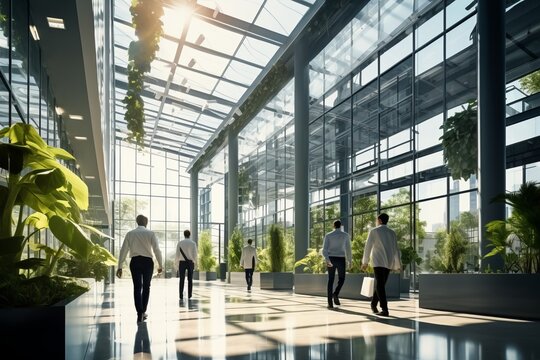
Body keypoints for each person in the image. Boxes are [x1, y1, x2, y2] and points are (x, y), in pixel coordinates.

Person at [116, 214, 163, 323]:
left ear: (137, 222)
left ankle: (139, 313)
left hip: (135, 262)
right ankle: (143, 311)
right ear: (146, 222)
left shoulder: (130, 234)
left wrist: (119, 266)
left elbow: (123, 251)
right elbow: (157, 250)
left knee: (137, 287)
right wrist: (160, 265)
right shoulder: (151, 233)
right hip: (147, 262)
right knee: (146, 287)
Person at [361, 213, 401, 317]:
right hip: (388, 262)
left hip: (378, 261)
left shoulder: (374, 231)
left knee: (380, 285)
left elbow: (368, 247)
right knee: (381, 285)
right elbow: (396, 249)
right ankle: (378, 306)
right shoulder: (392, 233)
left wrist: (365, 262)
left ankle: (381, 307)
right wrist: (398, 264)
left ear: (379, 220)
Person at [322, 220, 352, 309]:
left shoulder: (328, 235)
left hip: (331, 258)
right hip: (341, 259)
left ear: (333, 226)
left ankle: (330, 303)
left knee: (330, 280)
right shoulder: (346, 235)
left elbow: (324, 250)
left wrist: (327, 260)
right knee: (342, 279)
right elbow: (348, 249)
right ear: (340, 226)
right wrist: (349, 261)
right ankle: (336, 293)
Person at [175, 229, 198, 300]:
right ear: (189, 235)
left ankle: (181, 295)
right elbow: (195, 254)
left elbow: (177, 254)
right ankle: (189, 295)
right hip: (190, 262)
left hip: (182, 262)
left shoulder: (180, 243)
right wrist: (195, 262)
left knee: (182, 279)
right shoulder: (193, 243)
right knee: (190, 279)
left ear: (184, 235)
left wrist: (176, 263)